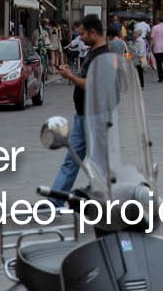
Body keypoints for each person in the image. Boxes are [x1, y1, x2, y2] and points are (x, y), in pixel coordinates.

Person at [51, 14, 109, 200]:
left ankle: (101, 197)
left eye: (83, 34)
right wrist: (71, 73)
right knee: (72, 160)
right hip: (82, 116)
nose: (81, 38)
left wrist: (71, 77)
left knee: (97, 162)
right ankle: (55, 201)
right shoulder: (93, 52)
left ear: (93, 32)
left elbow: (93, 84)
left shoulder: (104, 56)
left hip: (95, 116)